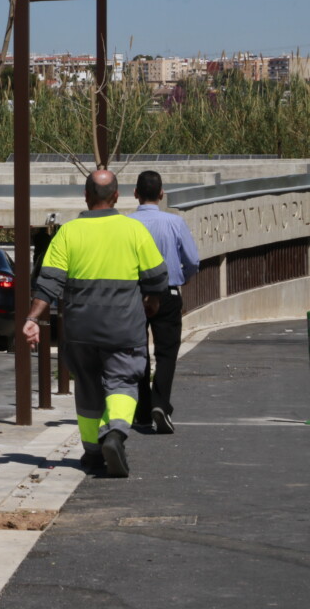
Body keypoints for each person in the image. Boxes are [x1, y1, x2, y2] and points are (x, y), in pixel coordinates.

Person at [22, 170, 168, 477]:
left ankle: (91, 453)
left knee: (87, 386)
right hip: (123, 326)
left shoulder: (68, 233)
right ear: (116, 196)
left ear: (86, 197)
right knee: (123, 380)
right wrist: (152, 302)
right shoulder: (134, 230)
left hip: (79, 329)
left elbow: (48, 283)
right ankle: (114, 433)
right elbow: (157, 277)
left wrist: (33, 318)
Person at [131, 170, 200, 434]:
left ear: (135, 193)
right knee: (167, 352)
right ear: (161, 194)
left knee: (138, 352)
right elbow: (193, 260)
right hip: (168, 293)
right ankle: (160, 403)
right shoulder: (175, 222)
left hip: (134, 295)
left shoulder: (128, 223)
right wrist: (184, 277)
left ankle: (142, 410)